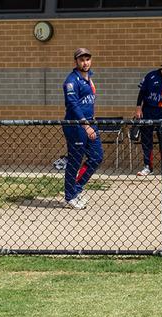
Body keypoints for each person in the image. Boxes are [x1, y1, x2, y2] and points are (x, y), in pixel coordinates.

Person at [62, 48, 103, 210]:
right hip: (76, 125)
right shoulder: (71, 81)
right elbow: (73, 105)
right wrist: (86, 126)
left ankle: (76, 189)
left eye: (87, 59)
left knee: (97, 157)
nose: (85, 62)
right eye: (81, 60)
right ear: (76, 62)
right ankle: (70, 196)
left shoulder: (89, 77)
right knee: (75, 161)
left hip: (90, 123)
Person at [135, 60, 162, 176]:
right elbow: (141, 92)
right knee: (146, 140)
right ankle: (147, 167)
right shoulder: (151, 76)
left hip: (161, 111)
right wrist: (138, 108)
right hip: (148, 110)